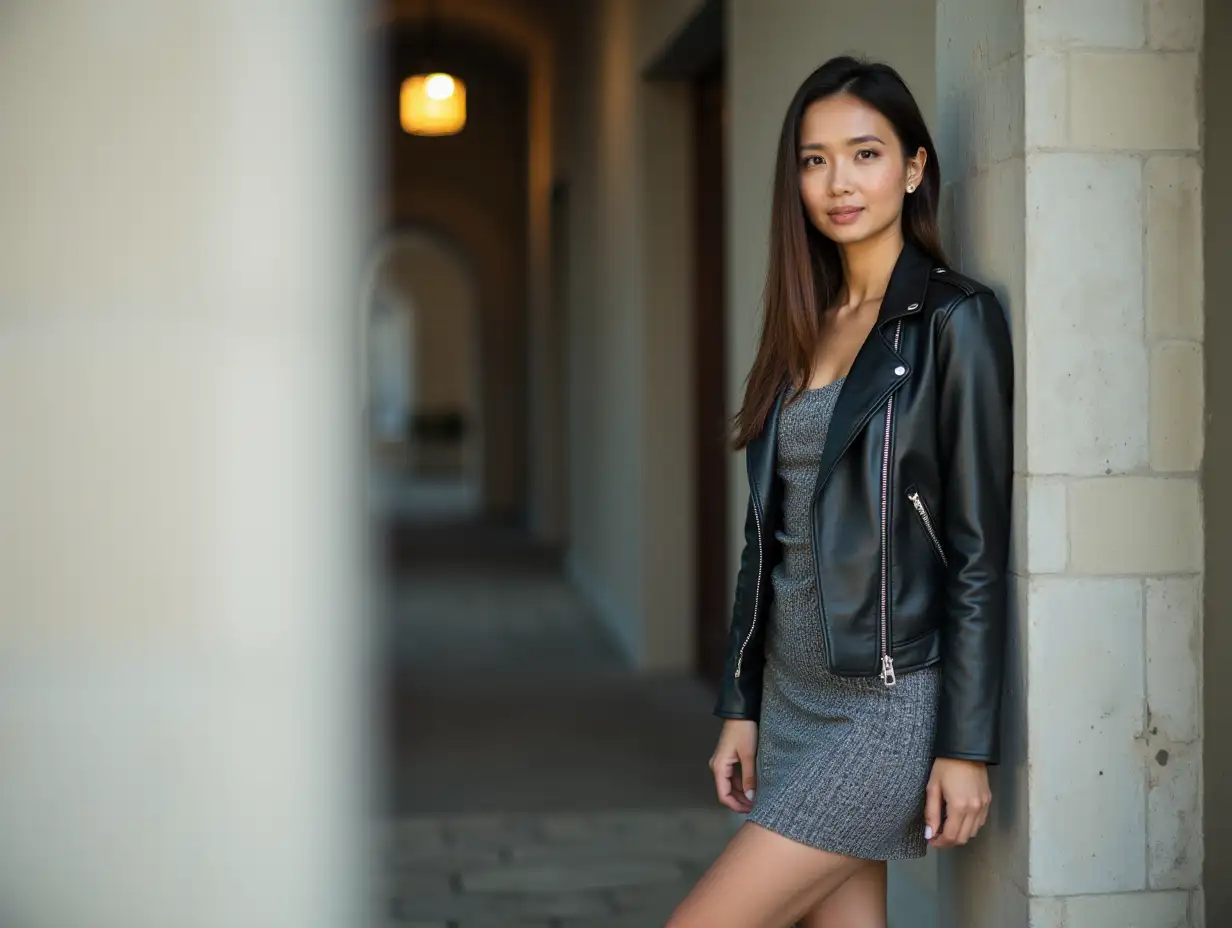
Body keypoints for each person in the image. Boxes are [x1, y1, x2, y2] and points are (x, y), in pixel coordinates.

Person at [668, 56, 1013, 928]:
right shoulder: (803, 322)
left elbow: (976, 550)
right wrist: (741, 705)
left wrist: (965, 745)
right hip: (791, 697)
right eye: (815, 160)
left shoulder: (952, 321)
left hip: (885, 705)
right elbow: (766, 537)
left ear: (913, 166)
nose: (838, 182)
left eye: (864, 153)